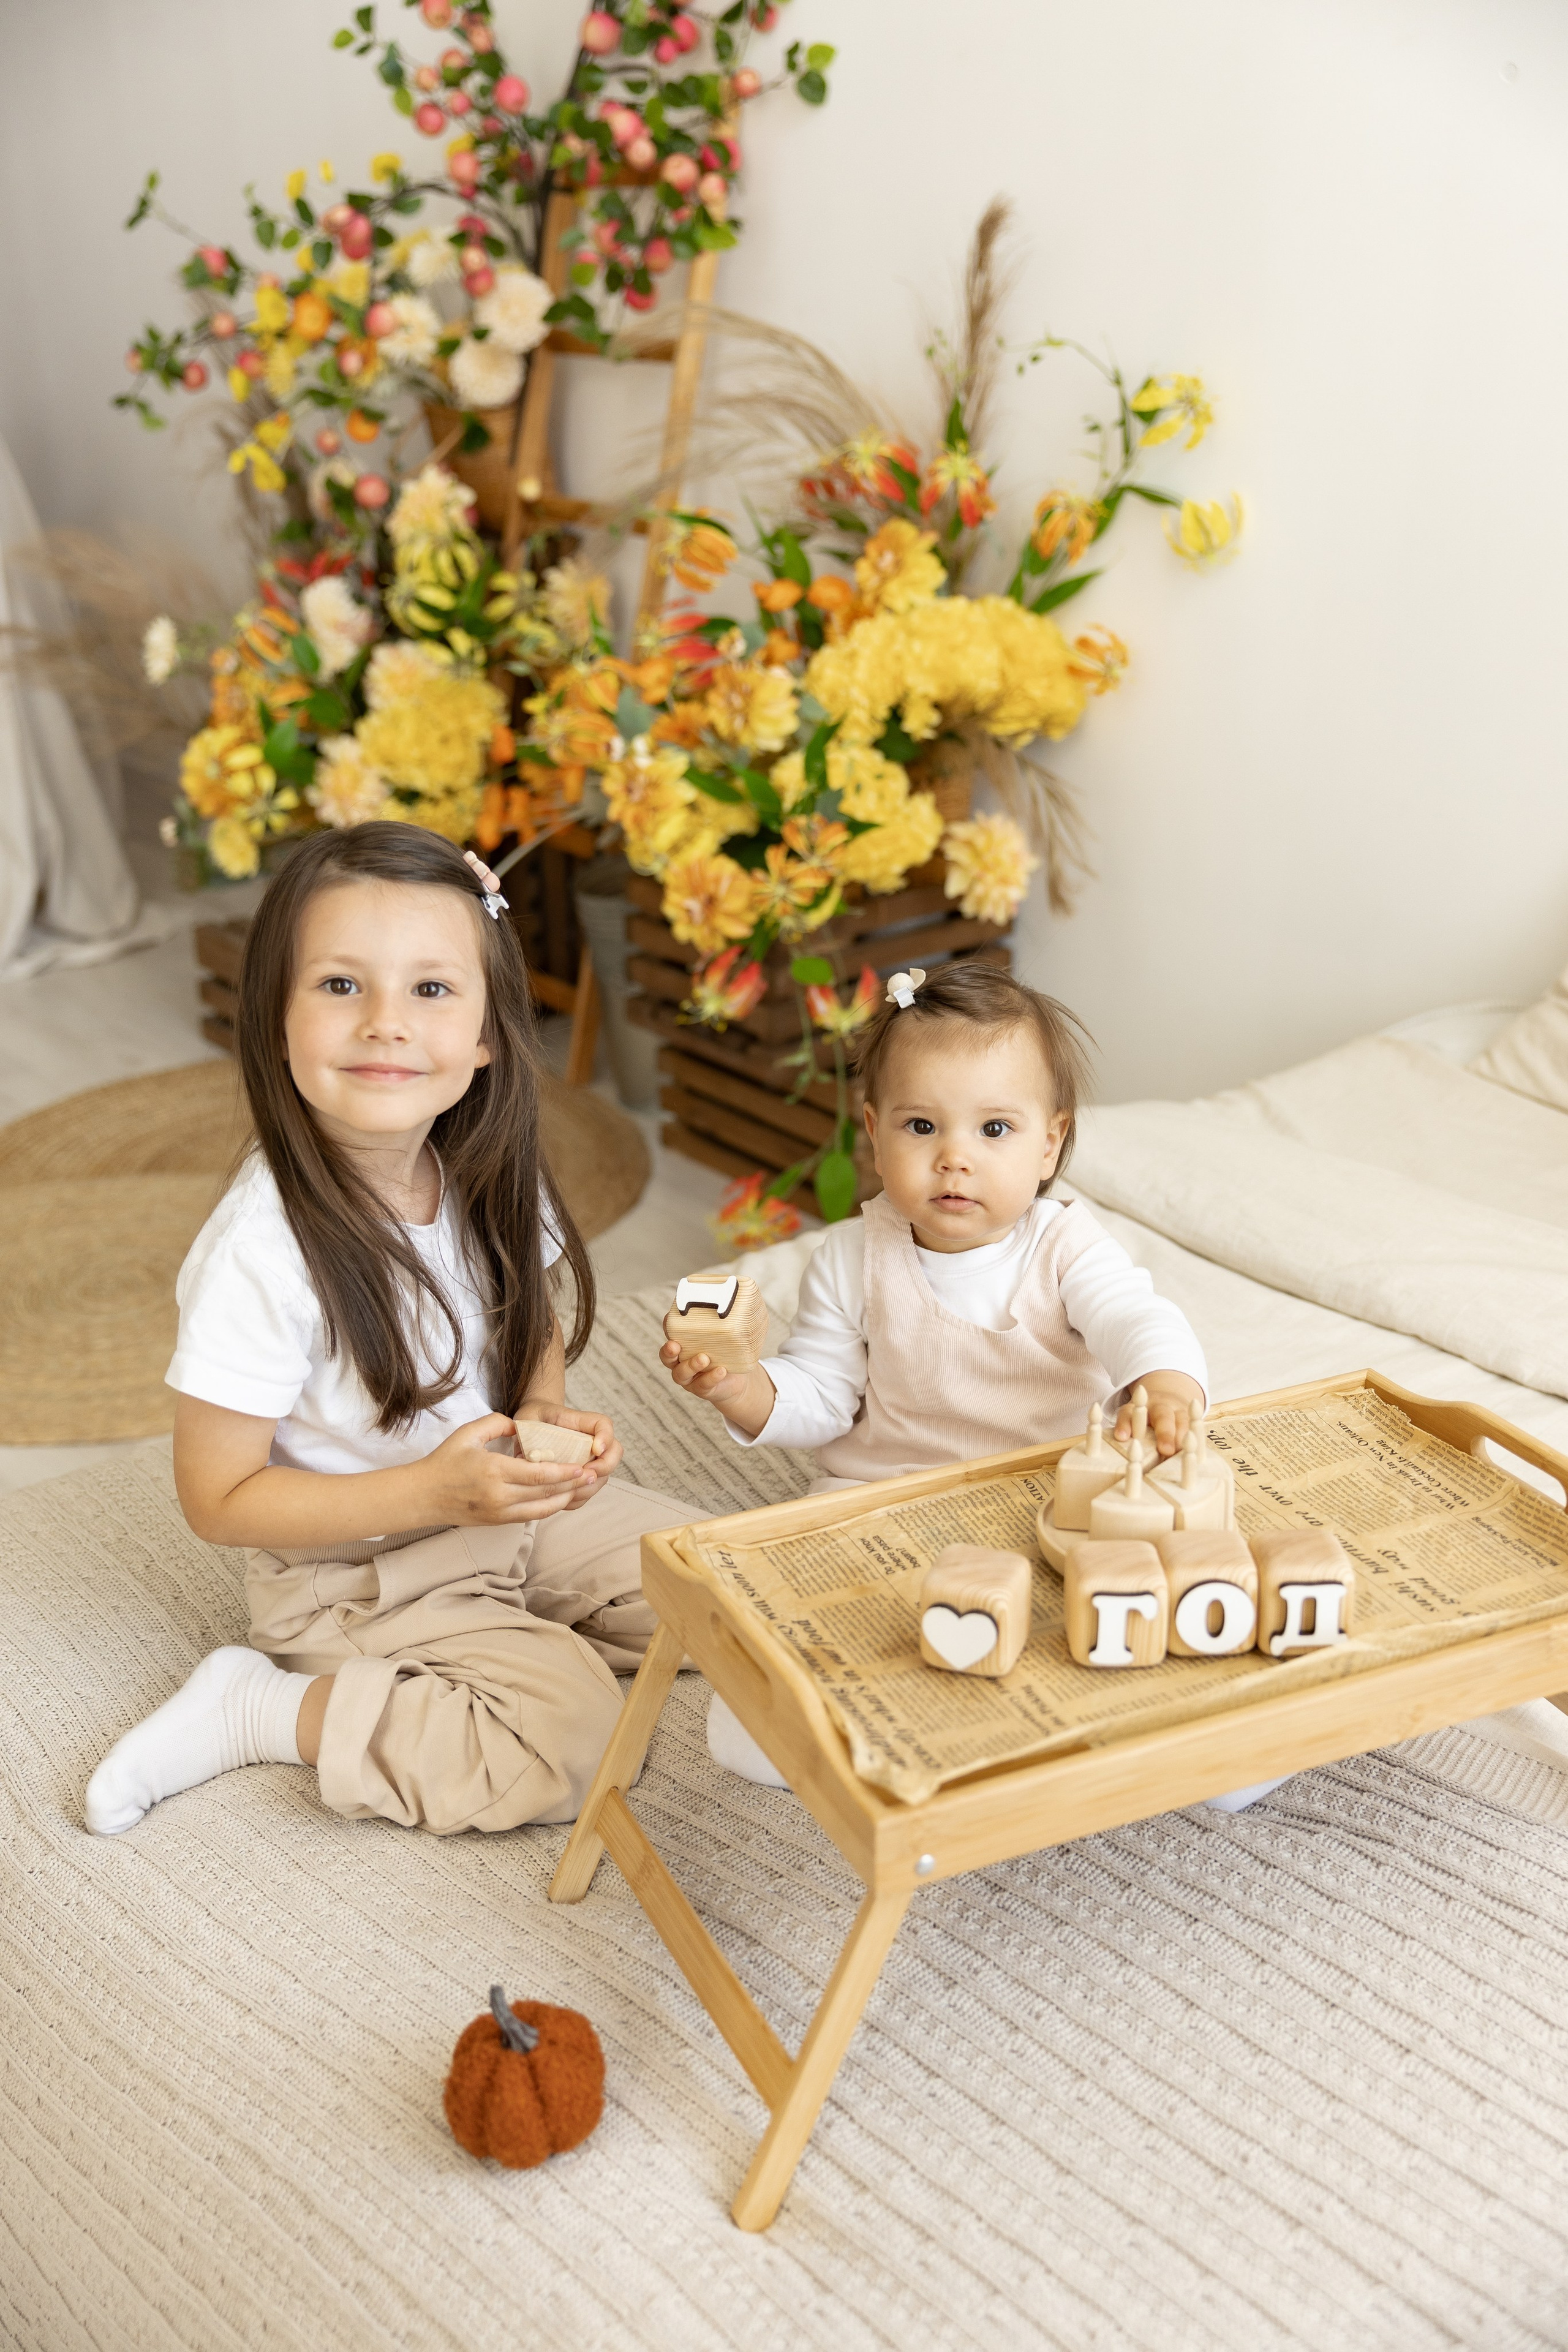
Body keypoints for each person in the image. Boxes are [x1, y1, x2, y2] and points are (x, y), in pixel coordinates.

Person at [87, 825, 689, 1838]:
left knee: (717, 1581)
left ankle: (505, 1633)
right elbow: (216, 1499)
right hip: (354, 1573)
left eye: (432, 989)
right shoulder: (259, 1253)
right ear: (276, 1022)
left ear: (489, 1033)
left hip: (493, 1514)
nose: (385, 1024)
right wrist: (436, 1494)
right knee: (573, 1742)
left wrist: (544, 1415)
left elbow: (531, 1315)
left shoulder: (483, 1166)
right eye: (340, 986)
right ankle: (263, 1709)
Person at [662, 960, 1276, 1811]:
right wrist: (741, 1388)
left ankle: (1203, 1744)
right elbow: (822, 1397)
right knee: (772, 1700)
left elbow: (1137, 1318)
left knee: (1129, 1613)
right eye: (922, 1126)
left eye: (994, 1129)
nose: (954, 1158)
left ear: (1049, 1143)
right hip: (884, 1497)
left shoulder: (1065, 1248)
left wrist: (1164, 1383)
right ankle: (886, 1723)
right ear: (874, 1132)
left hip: (1048, 1500)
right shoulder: (851, 1256)